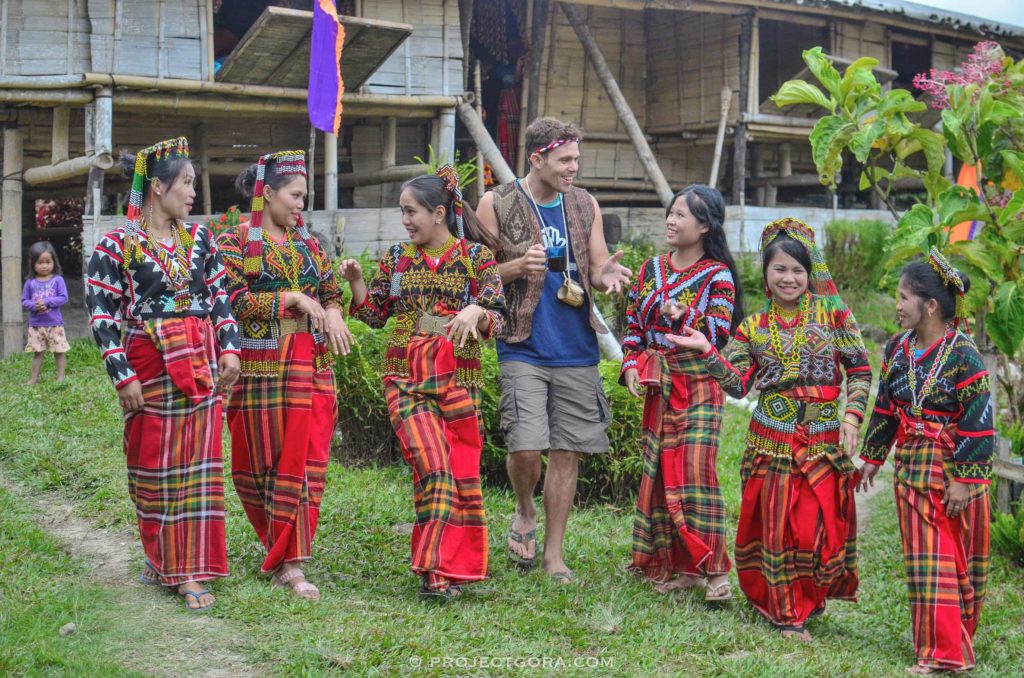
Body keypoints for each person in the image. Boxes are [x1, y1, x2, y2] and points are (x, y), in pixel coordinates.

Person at [666, 218, 871, 641]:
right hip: (771, 440)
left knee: (815, 527)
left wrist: (852, 416)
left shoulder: (835, 314)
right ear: (766, 273)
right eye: (780, 269)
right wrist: (707, 349)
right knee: (777, 526)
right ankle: (785, 612)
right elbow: (737, 383)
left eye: (798, 270)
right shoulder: (752, 327)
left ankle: (807, 598)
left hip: (822, 440)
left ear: (810, 272)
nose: (789, 278)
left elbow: (861, 368)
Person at [86, 137, 241, 612]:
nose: (193, 192)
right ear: (157, 187)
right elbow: (101, 313)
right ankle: (161, 558)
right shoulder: (118, 245)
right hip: (150, 367)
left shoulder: (201, 240)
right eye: (187, 182)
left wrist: (230, 348)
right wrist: (122, 375)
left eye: (194, 182)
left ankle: (188, 570)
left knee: (197, 470)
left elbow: (219, 297)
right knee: (152, 469)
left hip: (201, 365)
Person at [476, 117, 632, 580]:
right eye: (565, 160)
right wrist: (517, 266)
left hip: (576, 345)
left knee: (568, 450)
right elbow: (473, 273)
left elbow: (598, 263)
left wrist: (605, 276)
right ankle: (524, 510)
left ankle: (553, 553)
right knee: (526, 446)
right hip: (523, 341)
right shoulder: (496, 203)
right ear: (537, 158)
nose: (573, 168)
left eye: (576, 160)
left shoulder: (584, 204)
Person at [342, 167, 505, 600]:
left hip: (459, 378)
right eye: (402, 212)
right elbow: (374, 315)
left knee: (459, 473)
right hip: (406, 377)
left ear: (438, 213)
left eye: (411, 211)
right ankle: (434, 571)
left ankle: (452, 568)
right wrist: (357, 280)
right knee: (433, 466)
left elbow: (499, 315)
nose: (405, 220)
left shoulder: (476, 258)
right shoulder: (396, 256)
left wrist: (477, 313)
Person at [218, 150, 353, 601]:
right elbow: (232, 301)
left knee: (305, 461)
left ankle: (291, 562)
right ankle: (278, 546)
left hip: (310, 363)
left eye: (305, 197)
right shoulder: (234, 242)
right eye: (295, 195)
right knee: (260, 464)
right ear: (268, 192)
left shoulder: (309, 243)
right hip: (260, 366)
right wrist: (291, 298)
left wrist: (333, 313)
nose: (301, 204)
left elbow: (331, 291)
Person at [858, 248, 993, 675]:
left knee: (947, 559)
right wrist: (873, 458)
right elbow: (884, 407)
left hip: (951, 471)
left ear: (930, 305)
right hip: (911, 469)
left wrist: (965, 481)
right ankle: (941, 646)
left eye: (903, 297)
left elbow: (979, 420)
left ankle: (946, 652)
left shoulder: (963, 354)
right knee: (924, 561)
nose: (896, 306)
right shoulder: (898, 348)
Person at [620, 185, 743, 602]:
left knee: (694, 471)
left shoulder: (717, 275)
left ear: (705, 226)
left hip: (698, 383)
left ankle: (715, 570)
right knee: (658, 470)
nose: (671, 221)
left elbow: (719, 332)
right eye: (670, 213)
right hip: (659, 379)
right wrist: (631, 365)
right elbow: (634, 325)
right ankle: (682, 566)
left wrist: (685, 315)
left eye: (681, 215)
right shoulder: (650, 268)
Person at [22, 241, 71, 384]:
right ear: (33, 264)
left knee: (59, 351)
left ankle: (61, 377)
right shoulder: (30, 283)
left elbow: (63, 298)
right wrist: (35, 306)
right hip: (36, 325)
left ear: (54, 262)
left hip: (55, 324)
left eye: (48, 262)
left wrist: (47, 302)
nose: (44, 266)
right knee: (38, 353)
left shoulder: (58, 280)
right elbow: (24, 301)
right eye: (40, 262)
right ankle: (34, 378)